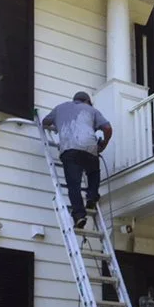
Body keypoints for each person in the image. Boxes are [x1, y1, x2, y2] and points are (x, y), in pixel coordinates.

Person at [42, 91, 113, 229]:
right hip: (89, 148)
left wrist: (58, 125)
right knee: (93, 172)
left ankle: (79, 215)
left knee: (73, 185)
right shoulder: (92, 110)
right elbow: (107, 128)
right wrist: (104, 143)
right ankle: (92, 196)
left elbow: (45, 122)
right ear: (87, 101)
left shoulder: (60, 108)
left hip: (69, 149)